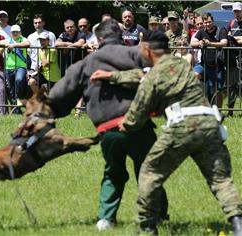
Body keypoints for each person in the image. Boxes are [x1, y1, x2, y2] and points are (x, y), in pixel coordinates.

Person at [93, 30, 242, 236]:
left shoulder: (154, 75)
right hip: (210, 124)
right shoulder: (181, 64)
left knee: (149, 172)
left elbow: (140, 106)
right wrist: (113, 76)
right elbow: (142, 75)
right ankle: (238, 225)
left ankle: (147, 227)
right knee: (220, 179)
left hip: (183, 126)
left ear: (146, 49)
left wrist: (127, 125)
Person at [48, 19, 168, 231]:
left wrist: (54, 112)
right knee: (149, 171)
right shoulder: (135, 54)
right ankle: (158, 214)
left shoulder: (86, 63)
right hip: (138, 123)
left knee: (113, 172)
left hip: (107, 128)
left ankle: (105, 219)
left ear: (99, 39)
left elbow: (58, 95)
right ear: (121, 37)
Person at [190, 12, 228, 108]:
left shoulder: (221, 30)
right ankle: (195, 103)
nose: (208, 24)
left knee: (217, 91)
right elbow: (192, 43)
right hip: (204, 64)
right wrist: (201, 43)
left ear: (213, 21)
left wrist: (209, 43)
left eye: (209, 22)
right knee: (193, 76)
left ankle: (218, 112)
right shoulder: (202, 31)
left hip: (218, 66)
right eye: (205, 22)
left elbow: (224, 43)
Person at [0, 24, 30, 114]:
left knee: (19, 80)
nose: (15, 33)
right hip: (9, 68)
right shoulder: (8, 40)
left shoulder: (23, 39)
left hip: (20, 67)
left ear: (20, 32)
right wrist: (5, 44)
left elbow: (28, 44)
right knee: (11, 90)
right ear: (11, 33)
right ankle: (16, 109)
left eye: (17, 31)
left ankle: (21, 98)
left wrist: (14, 45)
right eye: (13, 32)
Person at [225, 2, 242, 116]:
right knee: (232, 85)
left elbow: (233, 40)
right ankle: (230, 111)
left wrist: (234, 40)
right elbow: (225, 37)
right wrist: (237, 40)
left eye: (238, 11)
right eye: (235, 11)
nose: (236, 13)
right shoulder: (230, 23)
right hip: (232, 58)